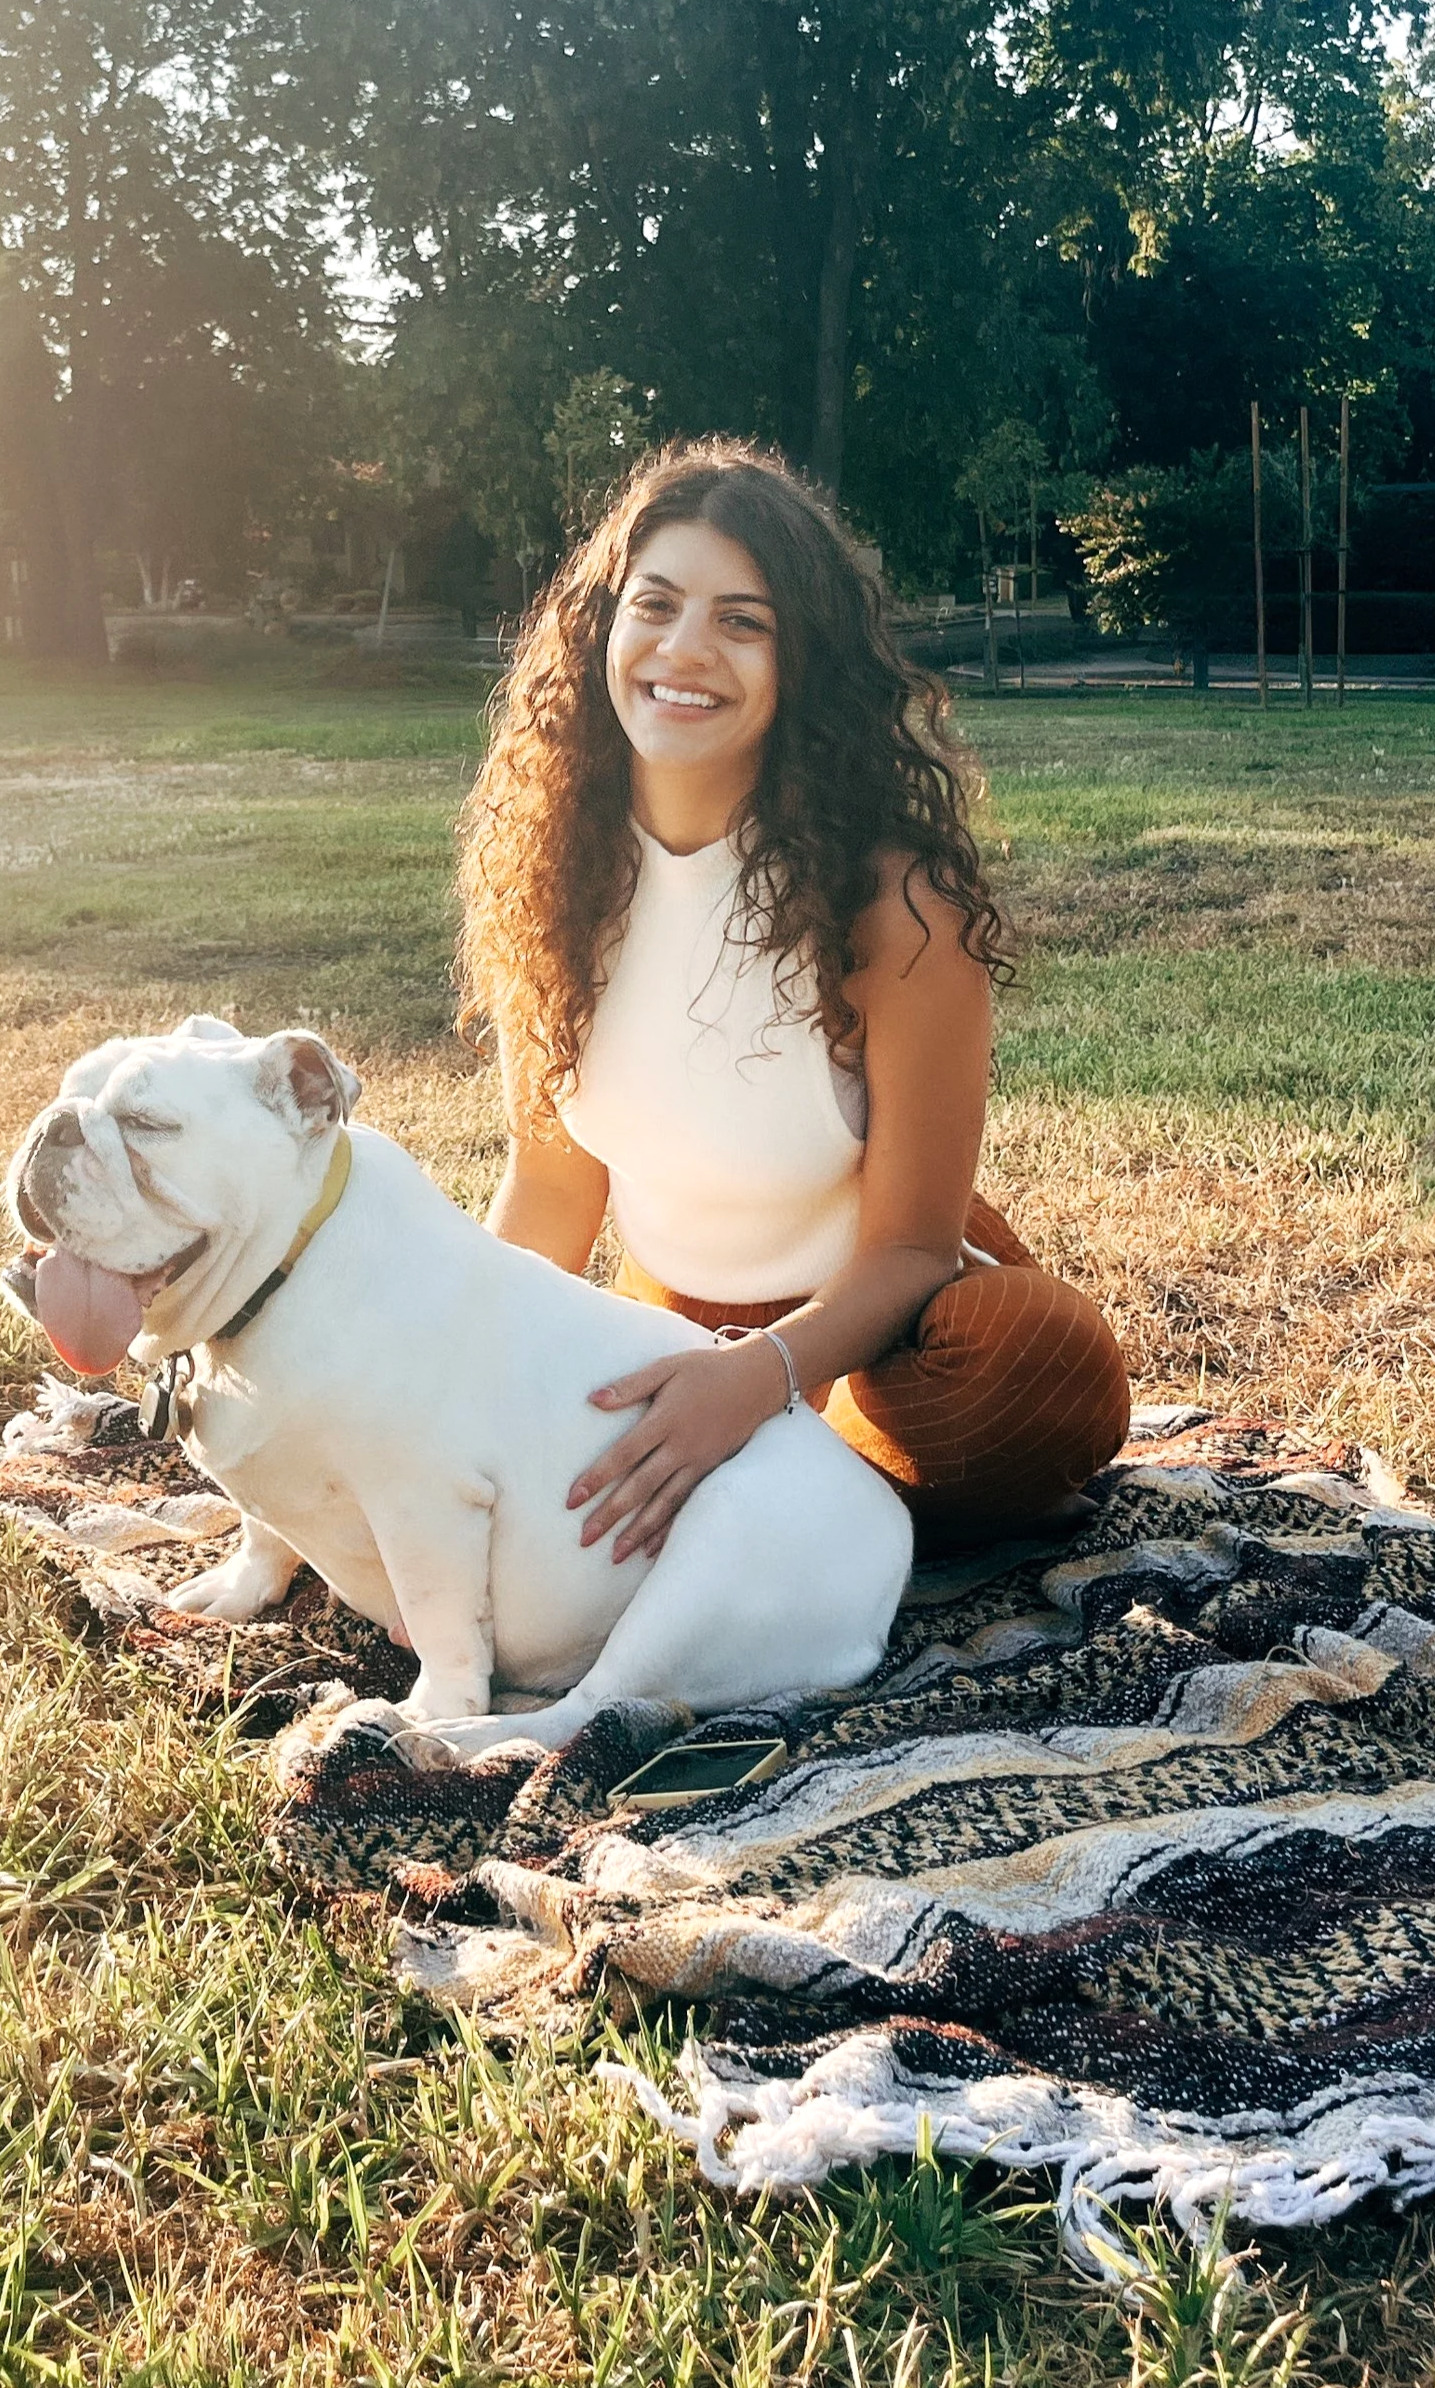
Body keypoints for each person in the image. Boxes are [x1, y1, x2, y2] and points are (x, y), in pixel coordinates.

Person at [456, 440, 1129, 1568]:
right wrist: (443, 1375)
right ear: (601, 631)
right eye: (656, 606)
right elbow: (552, 1187)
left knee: (1035, 1365)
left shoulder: (897, 905)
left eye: (742, 621)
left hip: (880, 1333)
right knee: (531, 1430)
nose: (684, 650)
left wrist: (758, 1380)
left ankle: (801, 1475)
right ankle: (796, 1496)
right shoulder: (546, 878)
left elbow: (914, 1246)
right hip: (669, 1321)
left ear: (799, 663)